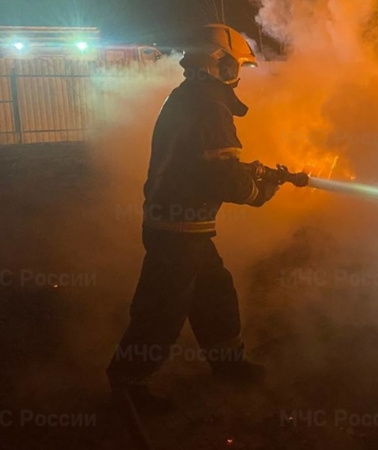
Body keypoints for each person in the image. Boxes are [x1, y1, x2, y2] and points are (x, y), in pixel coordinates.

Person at [107, 24, 277, 412]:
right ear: (218, 63)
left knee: (215, 292)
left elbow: (202, 164)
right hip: (176, 228)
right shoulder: (207, 105)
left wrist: (248, 170)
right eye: (236, 66)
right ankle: (126, 385)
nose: (238, 76)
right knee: (161, 311)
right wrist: (257, 190)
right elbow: (223, 178)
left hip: (185, 226)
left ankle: (227, 363)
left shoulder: (191, 97)